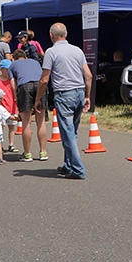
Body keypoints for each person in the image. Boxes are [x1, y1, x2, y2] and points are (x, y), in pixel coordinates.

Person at [34, 23, 92, 180]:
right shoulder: (77, 50)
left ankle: (78, 169)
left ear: (51, 35)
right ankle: (68, 165)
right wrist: (87, 96)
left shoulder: (51, 52)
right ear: (66, 34)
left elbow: (45, 79)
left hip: (64, 94)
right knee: (72, 131)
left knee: (67, 134)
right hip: (79, 92)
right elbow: (88, 75)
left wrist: (38, 98)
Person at [9, 48, 48, 162]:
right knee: (40, 121)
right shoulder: (35, 62)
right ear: (25, 57)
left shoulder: (12, 65)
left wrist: (16, 97)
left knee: (26, 122)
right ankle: (43, 152)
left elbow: (12, 83)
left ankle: (27, 153)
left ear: (14, 58)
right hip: (39, 85)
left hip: (24, 86)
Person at [0, 59, 18, 152]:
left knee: (12, 127)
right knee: (0, 127)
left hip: (12, 106)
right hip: (1, 108)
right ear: (1, 69)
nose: (8, 72)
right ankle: (0, 145)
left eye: (10, 70)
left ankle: (11, 144)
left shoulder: (12, 81)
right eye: (6, 69)